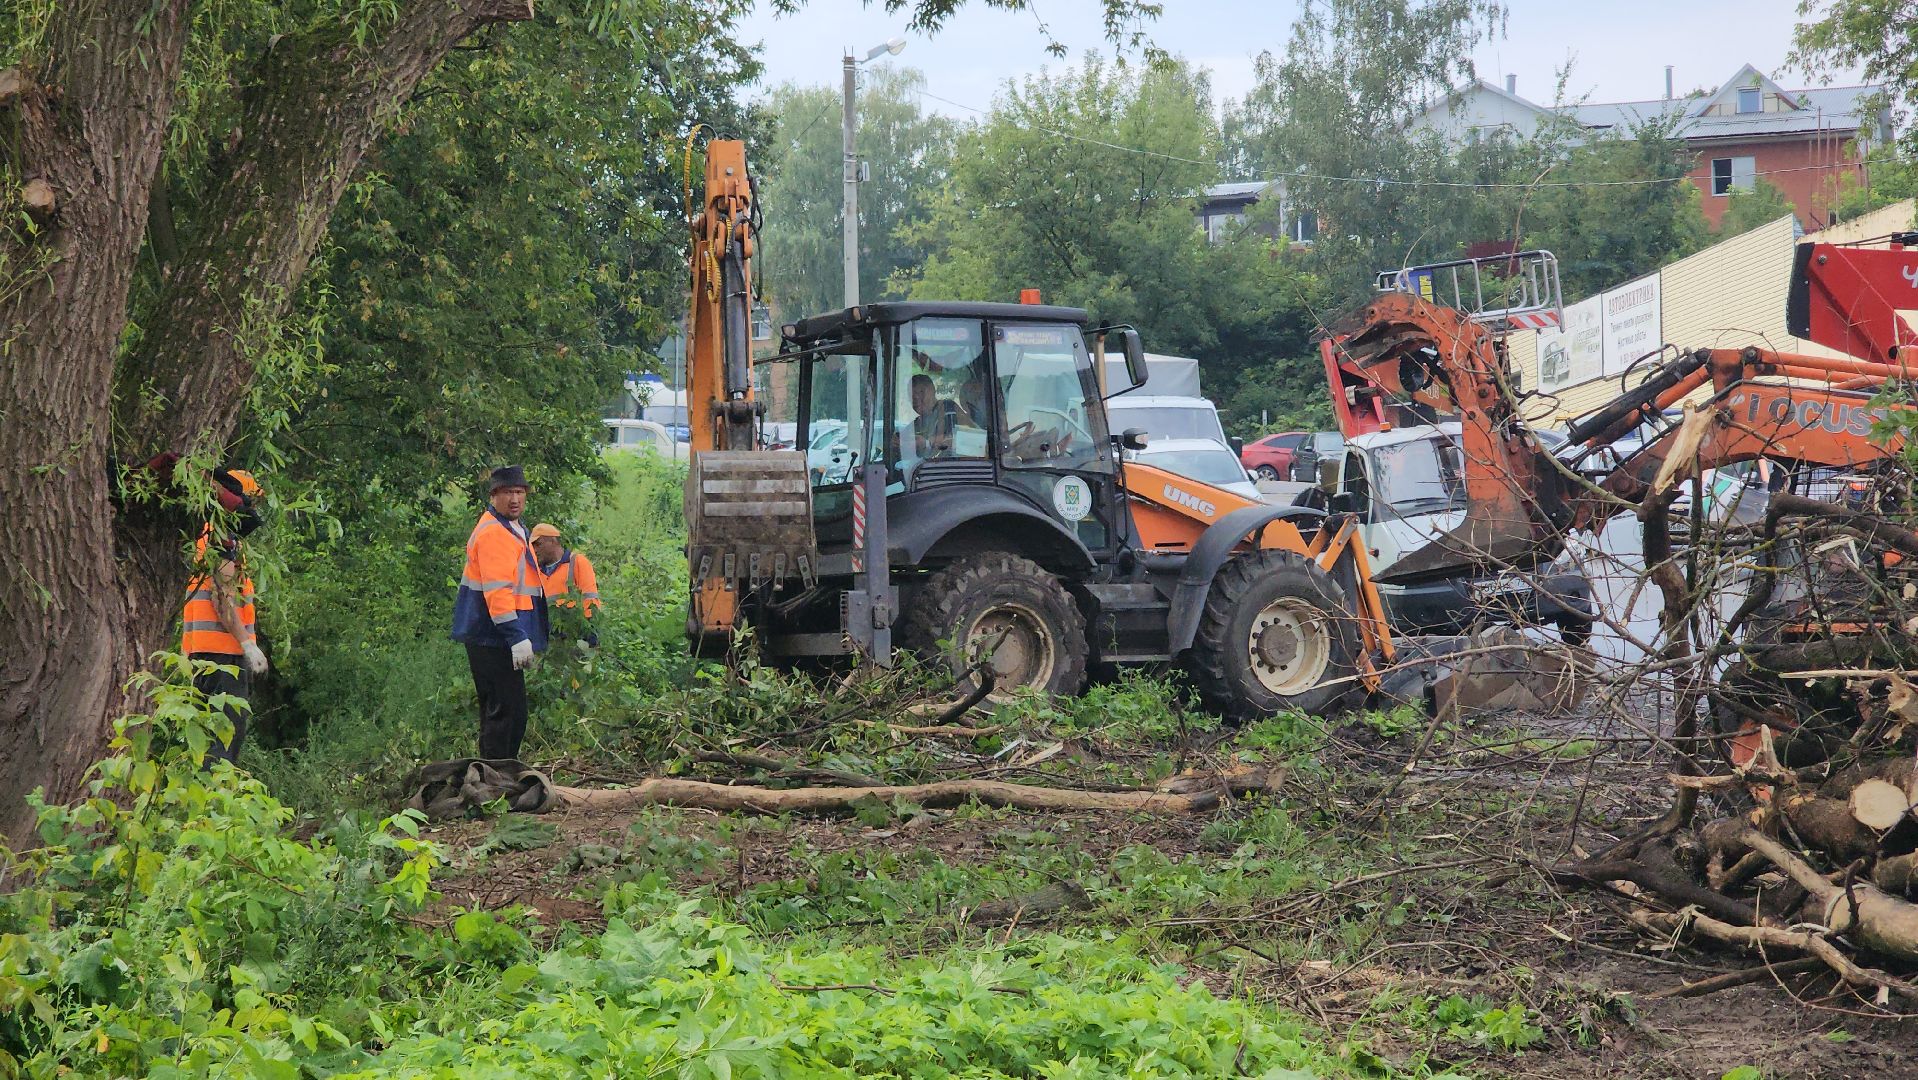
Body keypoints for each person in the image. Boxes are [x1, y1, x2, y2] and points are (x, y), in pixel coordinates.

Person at [451, 465, 548, 760]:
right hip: (492, 636)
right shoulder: (495, 534)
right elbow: (498, 593)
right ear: (494, 496)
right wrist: (517, 637)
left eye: (519, 492)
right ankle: (495, 782)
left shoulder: (513, 529)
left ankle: (500, 779)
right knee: (504, 715)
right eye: (507, 493)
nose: (515, 499)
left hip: (496, 635)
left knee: (509, 713)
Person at [181, 469, 268, 765]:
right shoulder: (224, 540)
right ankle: (214, 805)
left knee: (203, 738)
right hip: (224, 660)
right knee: (225, 739)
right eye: (251, 501)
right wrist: (247, 644)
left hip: (199, 655)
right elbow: (223, 599)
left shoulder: (203, 535)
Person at [530, 522, 600, 646]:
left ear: (552, 541)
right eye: (532, 546)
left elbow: (590, 598)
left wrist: (590, 631)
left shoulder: (577, 562)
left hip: (576, 635)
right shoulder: (535, 572)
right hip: (549, 638)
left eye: (538, 544)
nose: (534, 550)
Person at [909, 372, 957, 458]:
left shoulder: (948, 409)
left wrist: (927, 443)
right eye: (911, 394)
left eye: (921, 392)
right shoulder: (916, 424)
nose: (916, 398)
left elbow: (962, 441)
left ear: (933, 390)